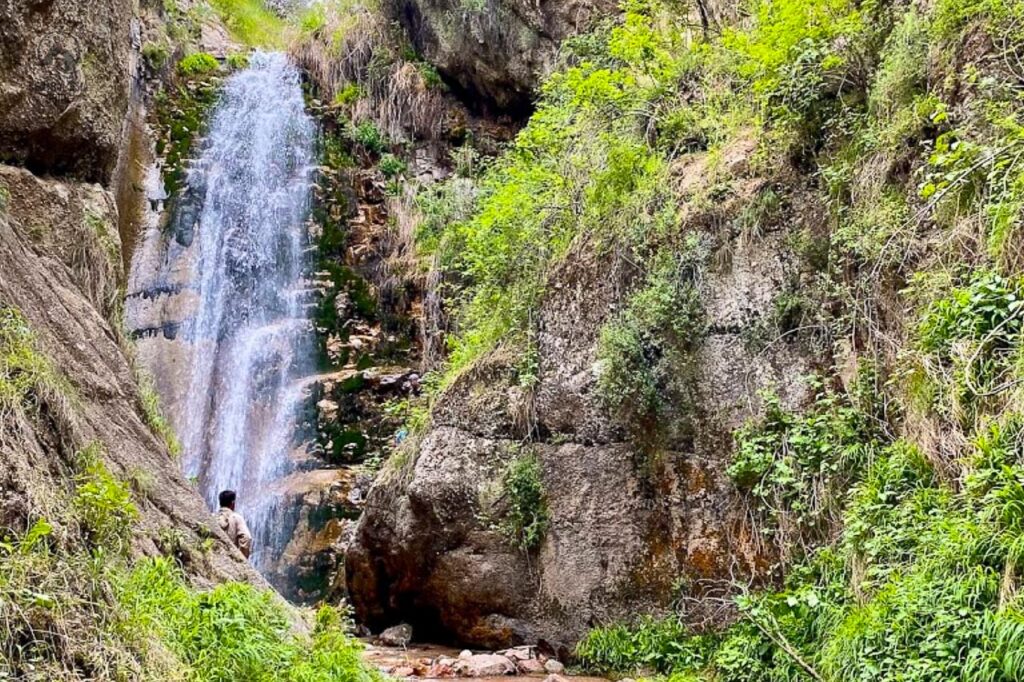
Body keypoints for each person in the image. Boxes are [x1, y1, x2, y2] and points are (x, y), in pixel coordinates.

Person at [216, 490, 252, 559]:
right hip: (229, 559)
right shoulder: (236, 517)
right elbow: (247, 537)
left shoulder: (211, 517)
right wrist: (242, 559)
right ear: (233, 503)